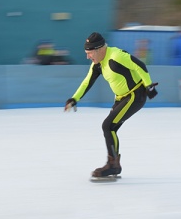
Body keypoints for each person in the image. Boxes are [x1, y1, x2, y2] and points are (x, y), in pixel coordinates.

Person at [64, 32, 158, 178]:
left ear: (99, 49)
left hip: (135, 95)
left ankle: (113, 165)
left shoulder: (116, 56)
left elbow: (140, 65)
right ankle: (114, 164)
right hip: (121, 99)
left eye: (89, 53)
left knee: (108, 126)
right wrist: (74, 99)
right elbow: (87, 82)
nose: (88, 56)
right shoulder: (97, 64)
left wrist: (149, 86)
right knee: (110, 129)